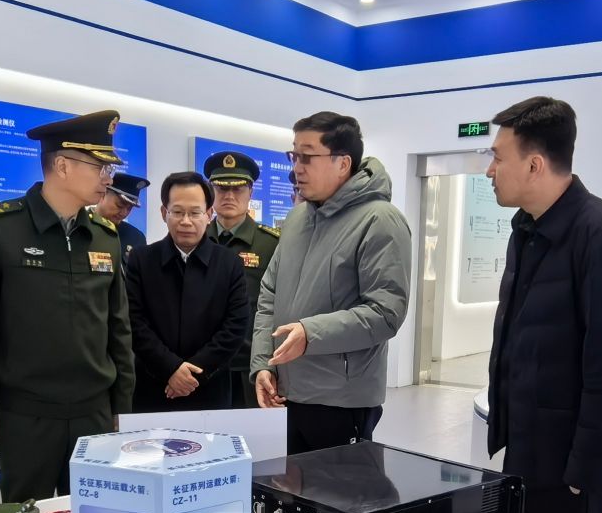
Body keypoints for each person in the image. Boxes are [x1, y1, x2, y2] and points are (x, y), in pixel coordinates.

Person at [483, 97, 602, 513]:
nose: (490, 171)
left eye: (498, 157)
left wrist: (585, 475)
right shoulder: (528, 230)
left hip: (573, 471)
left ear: (534, 165)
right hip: (532, 452)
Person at [0, 109, 135, 500]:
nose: (108, 177)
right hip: (27, 414)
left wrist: (122, 406)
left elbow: (118, 327)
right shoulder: (0, 226)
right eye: (100, 166)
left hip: (93, 413)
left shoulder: (104, 236)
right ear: (62, 165)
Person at [251, 111, 411, 454]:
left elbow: (385, 313)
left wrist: (310, 334)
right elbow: (269, 294)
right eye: (293, 155)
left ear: (343, 163)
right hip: (287, 393)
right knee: (289, 487)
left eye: (307, 157)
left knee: (340, 488)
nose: (297, 167)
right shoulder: (298, 218)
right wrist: (263, 363)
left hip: (341, 401)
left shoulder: (380, 221)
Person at [128, 171, 251, 411]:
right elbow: (134, 322)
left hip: (211, 389)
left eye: (195, 213)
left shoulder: (229, 263)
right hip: (154, 387)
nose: (186, 221)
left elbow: (235, 326)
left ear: (208, 214)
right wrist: (170, 369)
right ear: (164, 213)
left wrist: (192, 375)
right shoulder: (142, 260)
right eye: (177, 212)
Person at [205, 148, 279, 407]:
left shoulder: (271, 244)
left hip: (251, 366)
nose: (229, 196)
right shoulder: (197, 240)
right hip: (203, 365)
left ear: (251, 192)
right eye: (221, 188)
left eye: (237, 189)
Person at [95, 170, 150, 272]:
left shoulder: (136, 237)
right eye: (119, 205)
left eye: (129, 208)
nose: (124, 213)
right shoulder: (81, 228)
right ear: (103, 194)